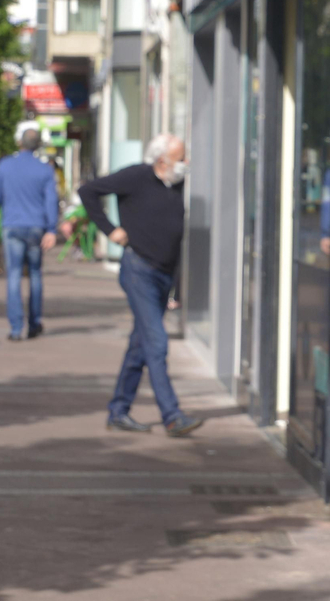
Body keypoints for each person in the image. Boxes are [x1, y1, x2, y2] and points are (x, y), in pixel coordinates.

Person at [78, 134, 202, 437]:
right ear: (162, 161)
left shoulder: (176, 185)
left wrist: (176, 287)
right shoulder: (136, 176)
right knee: (157, 342)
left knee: (140, 346)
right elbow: (88, 191)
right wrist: (109, 230)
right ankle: (172, 416)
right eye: (181, 158)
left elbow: (175, 240)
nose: (186, 164)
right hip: (138, 270)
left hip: (162, 274)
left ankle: (118, 411)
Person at [0, 130, 59, 341]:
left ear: (19, 143)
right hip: (36, 227)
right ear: (38, 145)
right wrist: (52, 229)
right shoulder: (45, 170)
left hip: (12, 226)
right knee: (35, 273)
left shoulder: (5, 165)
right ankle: (34, 323)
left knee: (14, 274)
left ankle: (16, 328)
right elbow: (51, 201)